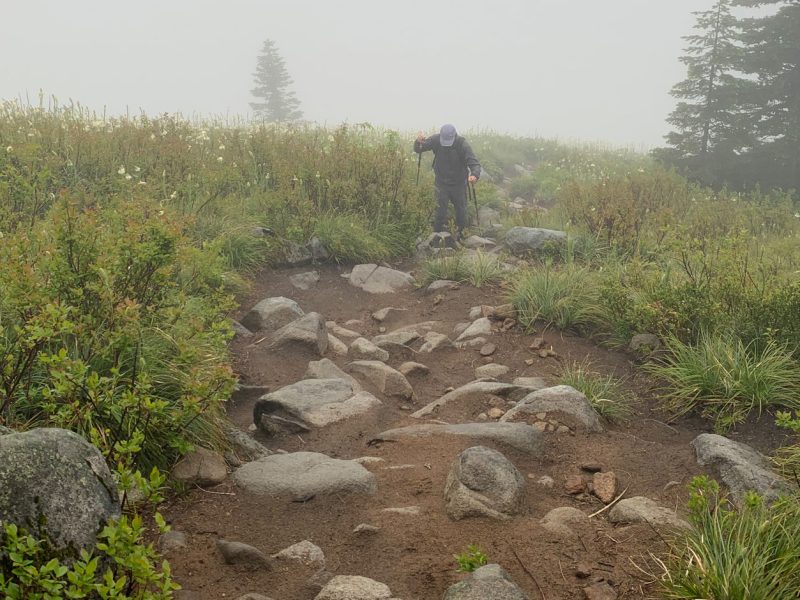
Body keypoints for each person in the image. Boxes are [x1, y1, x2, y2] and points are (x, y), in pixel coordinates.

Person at [414, 124, 482, 238]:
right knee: (439, 212)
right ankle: (436, 237)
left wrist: (474, 175)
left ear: (454, 136)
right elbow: (419, 149)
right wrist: (418, 141)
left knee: (461, 212)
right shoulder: (435, 139)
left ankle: (462, 237)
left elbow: (474, 163)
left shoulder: (462, 144)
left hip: (459, 183)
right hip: (441, 183)